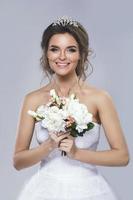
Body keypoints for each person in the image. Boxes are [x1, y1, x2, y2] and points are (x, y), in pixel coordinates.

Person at [13, 16, 129, 200]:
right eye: (55, 49)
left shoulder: (99, 98)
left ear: (81, 54)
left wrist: (76, 153)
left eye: (71, 50)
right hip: (45, 190)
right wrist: (49, 146)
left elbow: (122, 157)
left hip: (88, 190)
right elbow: (18, 162)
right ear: (46, 53)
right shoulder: (33, 99)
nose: (62, 57)